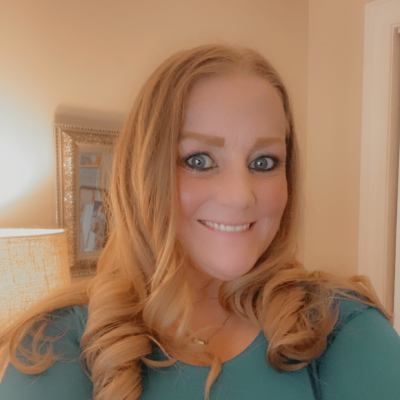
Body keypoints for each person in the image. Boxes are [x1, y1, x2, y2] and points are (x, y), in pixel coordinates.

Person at [0, 43, 399, 400]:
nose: (240, 196)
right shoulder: (53, 345)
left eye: (264, 162)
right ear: (145, 175)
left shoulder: (342, 329)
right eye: (199, 160)